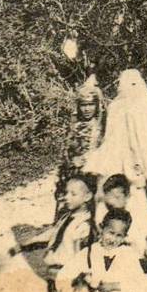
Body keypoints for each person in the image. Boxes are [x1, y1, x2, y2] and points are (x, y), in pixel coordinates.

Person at [83, 69, 147, 273]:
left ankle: (146, 256)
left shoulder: (120, 105)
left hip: (124, 170)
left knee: (132, 214)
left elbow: (113, 141)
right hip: (140, 171)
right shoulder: (144, 103)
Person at [11, 173, 97, 292]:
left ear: (87, 197)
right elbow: (52, 232)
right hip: (53, 272)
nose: (67, 197)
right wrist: (28, 244)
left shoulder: (84, 225)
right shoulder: (66, 217)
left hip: (66, 274)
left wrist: (82, 275)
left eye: (73, 194)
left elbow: (82, 252)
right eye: (66, 193)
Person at [56, 209, 145, 292]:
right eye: (111, 233)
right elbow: (63, 276)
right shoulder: (88, 253)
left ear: (124, 237)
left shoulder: (128, 255)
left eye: (119, 235)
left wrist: (114, 286)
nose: (113, 239)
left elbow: (139, 282)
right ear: (101, 228)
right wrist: (81, 285)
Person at [56, 75, 104, 221]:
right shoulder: (74, 126)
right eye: (83, 105)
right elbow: (66, 150)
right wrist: (72, 160)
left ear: (97, 105)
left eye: (91, 104)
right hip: (76, 171)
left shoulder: (102, 126)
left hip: (95, 171)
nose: (87, 109)